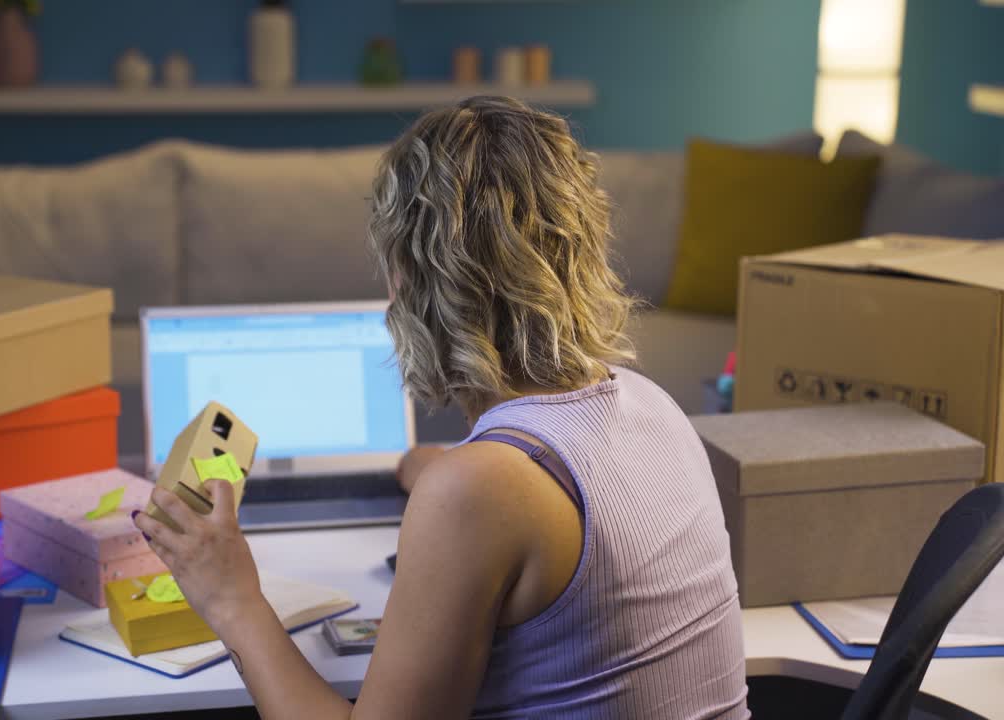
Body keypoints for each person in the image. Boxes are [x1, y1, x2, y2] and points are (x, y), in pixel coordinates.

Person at [132, 96, 749, 719]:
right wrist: (436, 471)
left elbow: (493, 500)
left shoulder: (477, 492)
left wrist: (232, 599)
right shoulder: (653, 407)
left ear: (415, 279)